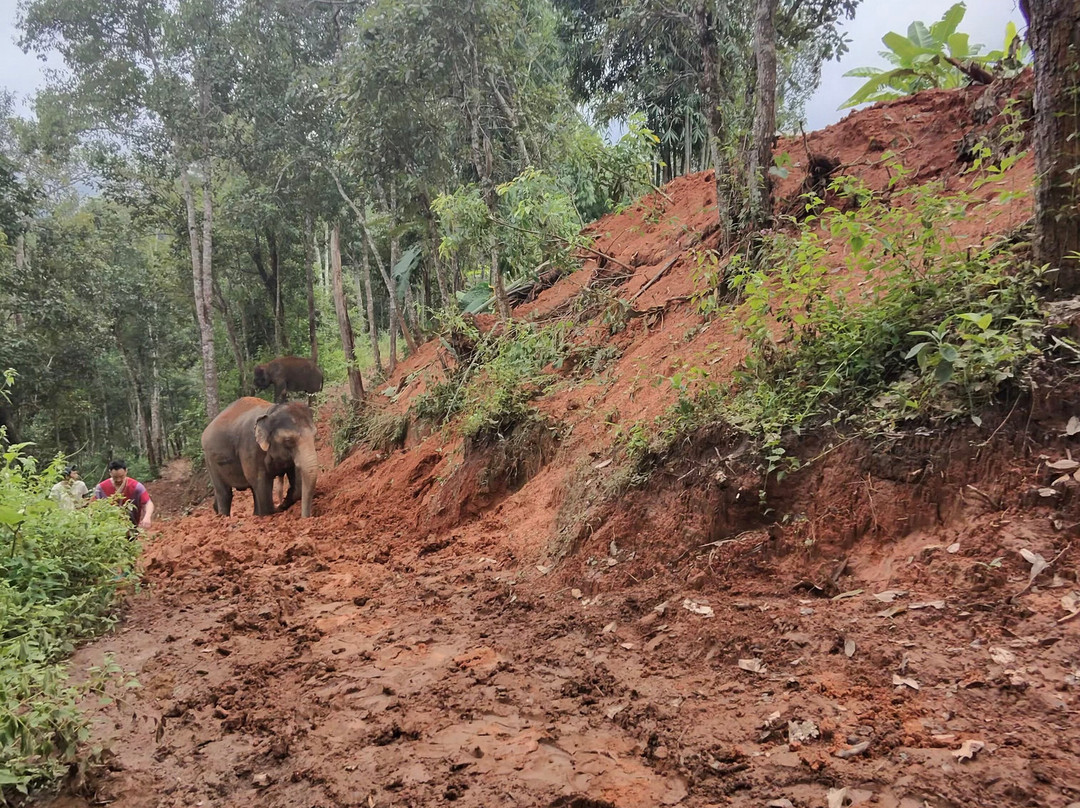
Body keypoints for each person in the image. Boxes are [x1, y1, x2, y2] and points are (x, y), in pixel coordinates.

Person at [94, 459, 154, 531]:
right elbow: (94, 508)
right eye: (115, 477)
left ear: (126, 471)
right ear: (110, 473)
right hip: (108, 531)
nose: (119, 480)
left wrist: (147, 517)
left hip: (131, 528)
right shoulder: (101, 488)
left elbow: (148, 503)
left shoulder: (136, 487)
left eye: (121, 476)